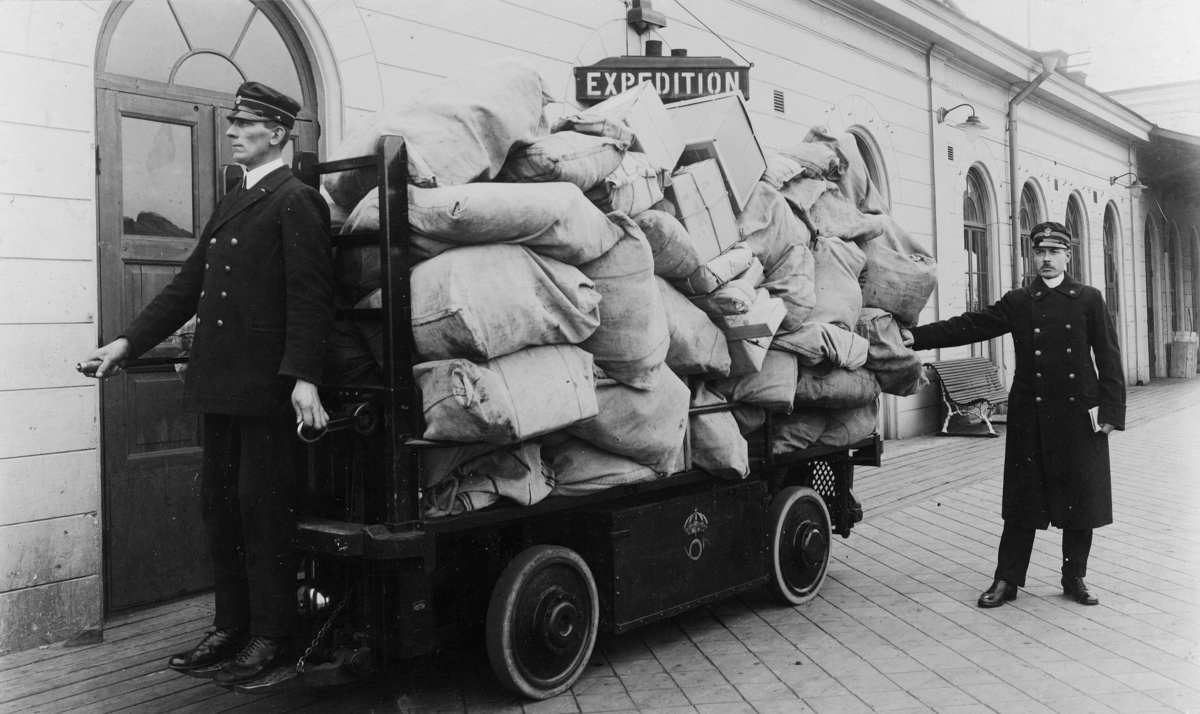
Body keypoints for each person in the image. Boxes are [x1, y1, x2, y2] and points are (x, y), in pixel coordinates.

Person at [80, 82, 334, 685]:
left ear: (276, 132)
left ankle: (272, 634)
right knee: (218, 506)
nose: (232, 130)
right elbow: (188, 284)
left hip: (268, 389)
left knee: (261, 509)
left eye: (245, 123)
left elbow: (311, 298)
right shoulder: (236, 197)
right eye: (234, 122)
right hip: (222, 384)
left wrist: (304, 379)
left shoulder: (297, 199)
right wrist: (126, 343)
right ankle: (231, 628)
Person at [902, 221, 1124, 608]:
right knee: (1023, 500)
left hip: (1078, 415)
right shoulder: (1021, 301)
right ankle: (1007, 580)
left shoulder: (1088, 299)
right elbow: (971, 325)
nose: (1046, 259)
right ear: (1031, 255)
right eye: (1039, 252)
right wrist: (916, 338)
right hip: (1032, 414)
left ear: (1067, 256)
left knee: (1080, 501)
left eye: (1055, 252)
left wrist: (1111, 410)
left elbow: (1108, 355)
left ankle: (1075, 577)